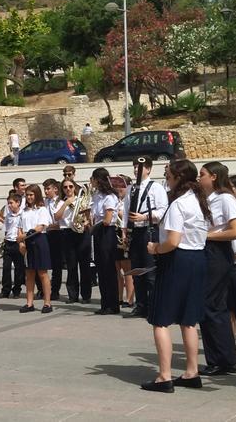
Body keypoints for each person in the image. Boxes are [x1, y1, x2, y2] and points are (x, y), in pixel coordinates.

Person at [140, 159, 209, 393]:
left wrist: (155, 249)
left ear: (178, 177)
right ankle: (192, 372)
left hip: (178, 260)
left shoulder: (179, 203)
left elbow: (173, 241)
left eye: (168, 175)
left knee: (160, 319)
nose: (166, 179)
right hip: (197, 259)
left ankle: (164, 376)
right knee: (188, 320)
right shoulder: (199, 201)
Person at [197, 161, 236, 377]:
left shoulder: (225, 198)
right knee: (211, 306)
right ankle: (220, 358)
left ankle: (222, 360)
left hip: (217, 251)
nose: (199, 177)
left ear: (214, 176)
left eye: (202, 174)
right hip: (207, 251)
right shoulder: (206, 199)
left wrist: (207, 235)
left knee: (211, 306)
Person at [123, 158, 168, 318]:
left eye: (140, 167)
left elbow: (163, 210)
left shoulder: (156, 188)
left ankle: (154, 305)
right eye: (134, 167)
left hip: (149, 231)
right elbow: (126, 209)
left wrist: (144, 217)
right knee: (137, 271)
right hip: (135, 233)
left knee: (150, 272)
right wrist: (124, 230)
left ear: (148, 169)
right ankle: (141, 305)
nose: (136, 170)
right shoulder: (131, 189)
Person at [89, 168, 122, 315]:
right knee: (101, 268)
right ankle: (105, 303)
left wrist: (94, 226)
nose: (92, 181)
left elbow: (108, 220)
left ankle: (112, 304)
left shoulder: (109, 197)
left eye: (93, 178)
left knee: (108, 269)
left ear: (98, 179)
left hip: (106, 232)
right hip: (98, 231)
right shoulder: (97, 195)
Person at [56, 177, 93, 303]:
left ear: (74, 187)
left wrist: (87, 221)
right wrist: (66, 203)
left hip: (82, 232)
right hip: (67, 233)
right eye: (65, 187)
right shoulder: (60, 202)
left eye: (70, 186)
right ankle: (73, 295)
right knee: (71, 266)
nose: (68, 189)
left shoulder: (82, 199)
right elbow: (56, 217)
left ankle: (86, 295)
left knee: (85, 266)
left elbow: (89, 214)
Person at [18, 184, 53, 314]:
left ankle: (47, 303)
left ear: (36, 195)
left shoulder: (42, 210)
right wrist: (21, 242)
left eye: (31, 195)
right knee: (29, 273)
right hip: (27, 240)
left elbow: (40, 227)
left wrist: (24, 236)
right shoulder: (24, 211)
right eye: (27, 195)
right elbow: (20, 227)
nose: (29, 197)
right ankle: (29, 302)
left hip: (38, 240)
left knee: (42, 273)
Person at [0, 194, 26, 299]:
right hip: (9, 243)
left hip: (18, 243)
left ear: (18, 203)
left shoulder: (23, 214)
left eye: (11, 203)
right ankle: (5, 290)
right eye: (8, 203)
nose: (9, 205)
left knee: (19, 268)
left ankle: (17, 290)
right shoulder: (8, 215)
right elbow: (6, 229)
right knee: (6, 267)